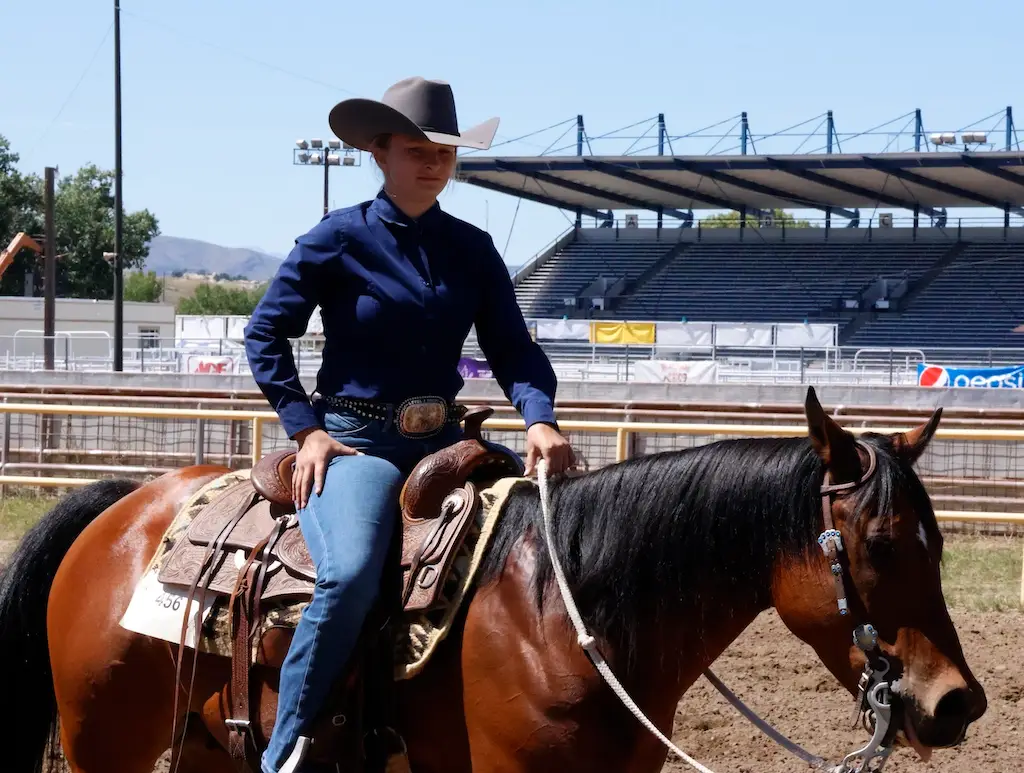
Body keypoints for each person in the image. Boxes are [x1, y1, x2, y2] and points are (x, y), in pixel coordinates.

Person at [244, 76, 576, 773]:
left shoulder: (473, 249)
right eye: (416, 150)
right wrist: (305, 428)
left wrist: (540, 419)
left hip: (448, 443)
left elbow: (513, 349)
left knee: (552, 544)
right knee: (353, 573)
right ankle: (285, 752)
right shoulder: (338, 238)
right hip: (358, 444)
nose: (433, 163)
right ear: (379, 151)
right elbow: (265, 334)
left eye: (445, 153)